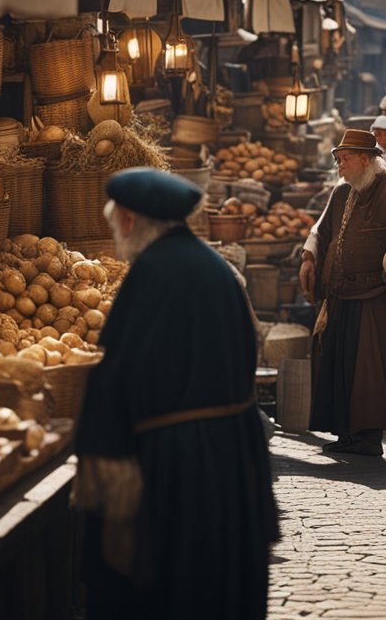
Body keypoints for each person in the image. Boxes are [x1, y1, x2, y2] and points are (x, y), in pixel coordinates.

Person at [74, 168, 278, 618]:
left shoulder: (152, 274)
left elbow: (118, 376)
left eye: (115, 225)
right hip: (230, 459)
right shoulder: (215, 268)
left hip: (176, 469)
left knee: (171, 590)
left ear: (128, 221)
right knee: (219, 586)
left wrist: (105, 467)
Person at [300, 130, 386, 456]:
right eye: (338, 159)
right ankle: (346, 434)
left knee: (369, 372)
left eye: (346, 159)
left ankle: (368, 439)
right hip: (341, 294)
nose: (340, 165)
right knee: (339, 364)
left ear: (367, 159)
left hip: (373, 297)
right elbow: (321, 229)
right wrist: (310, 256)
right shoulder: (343, 192)